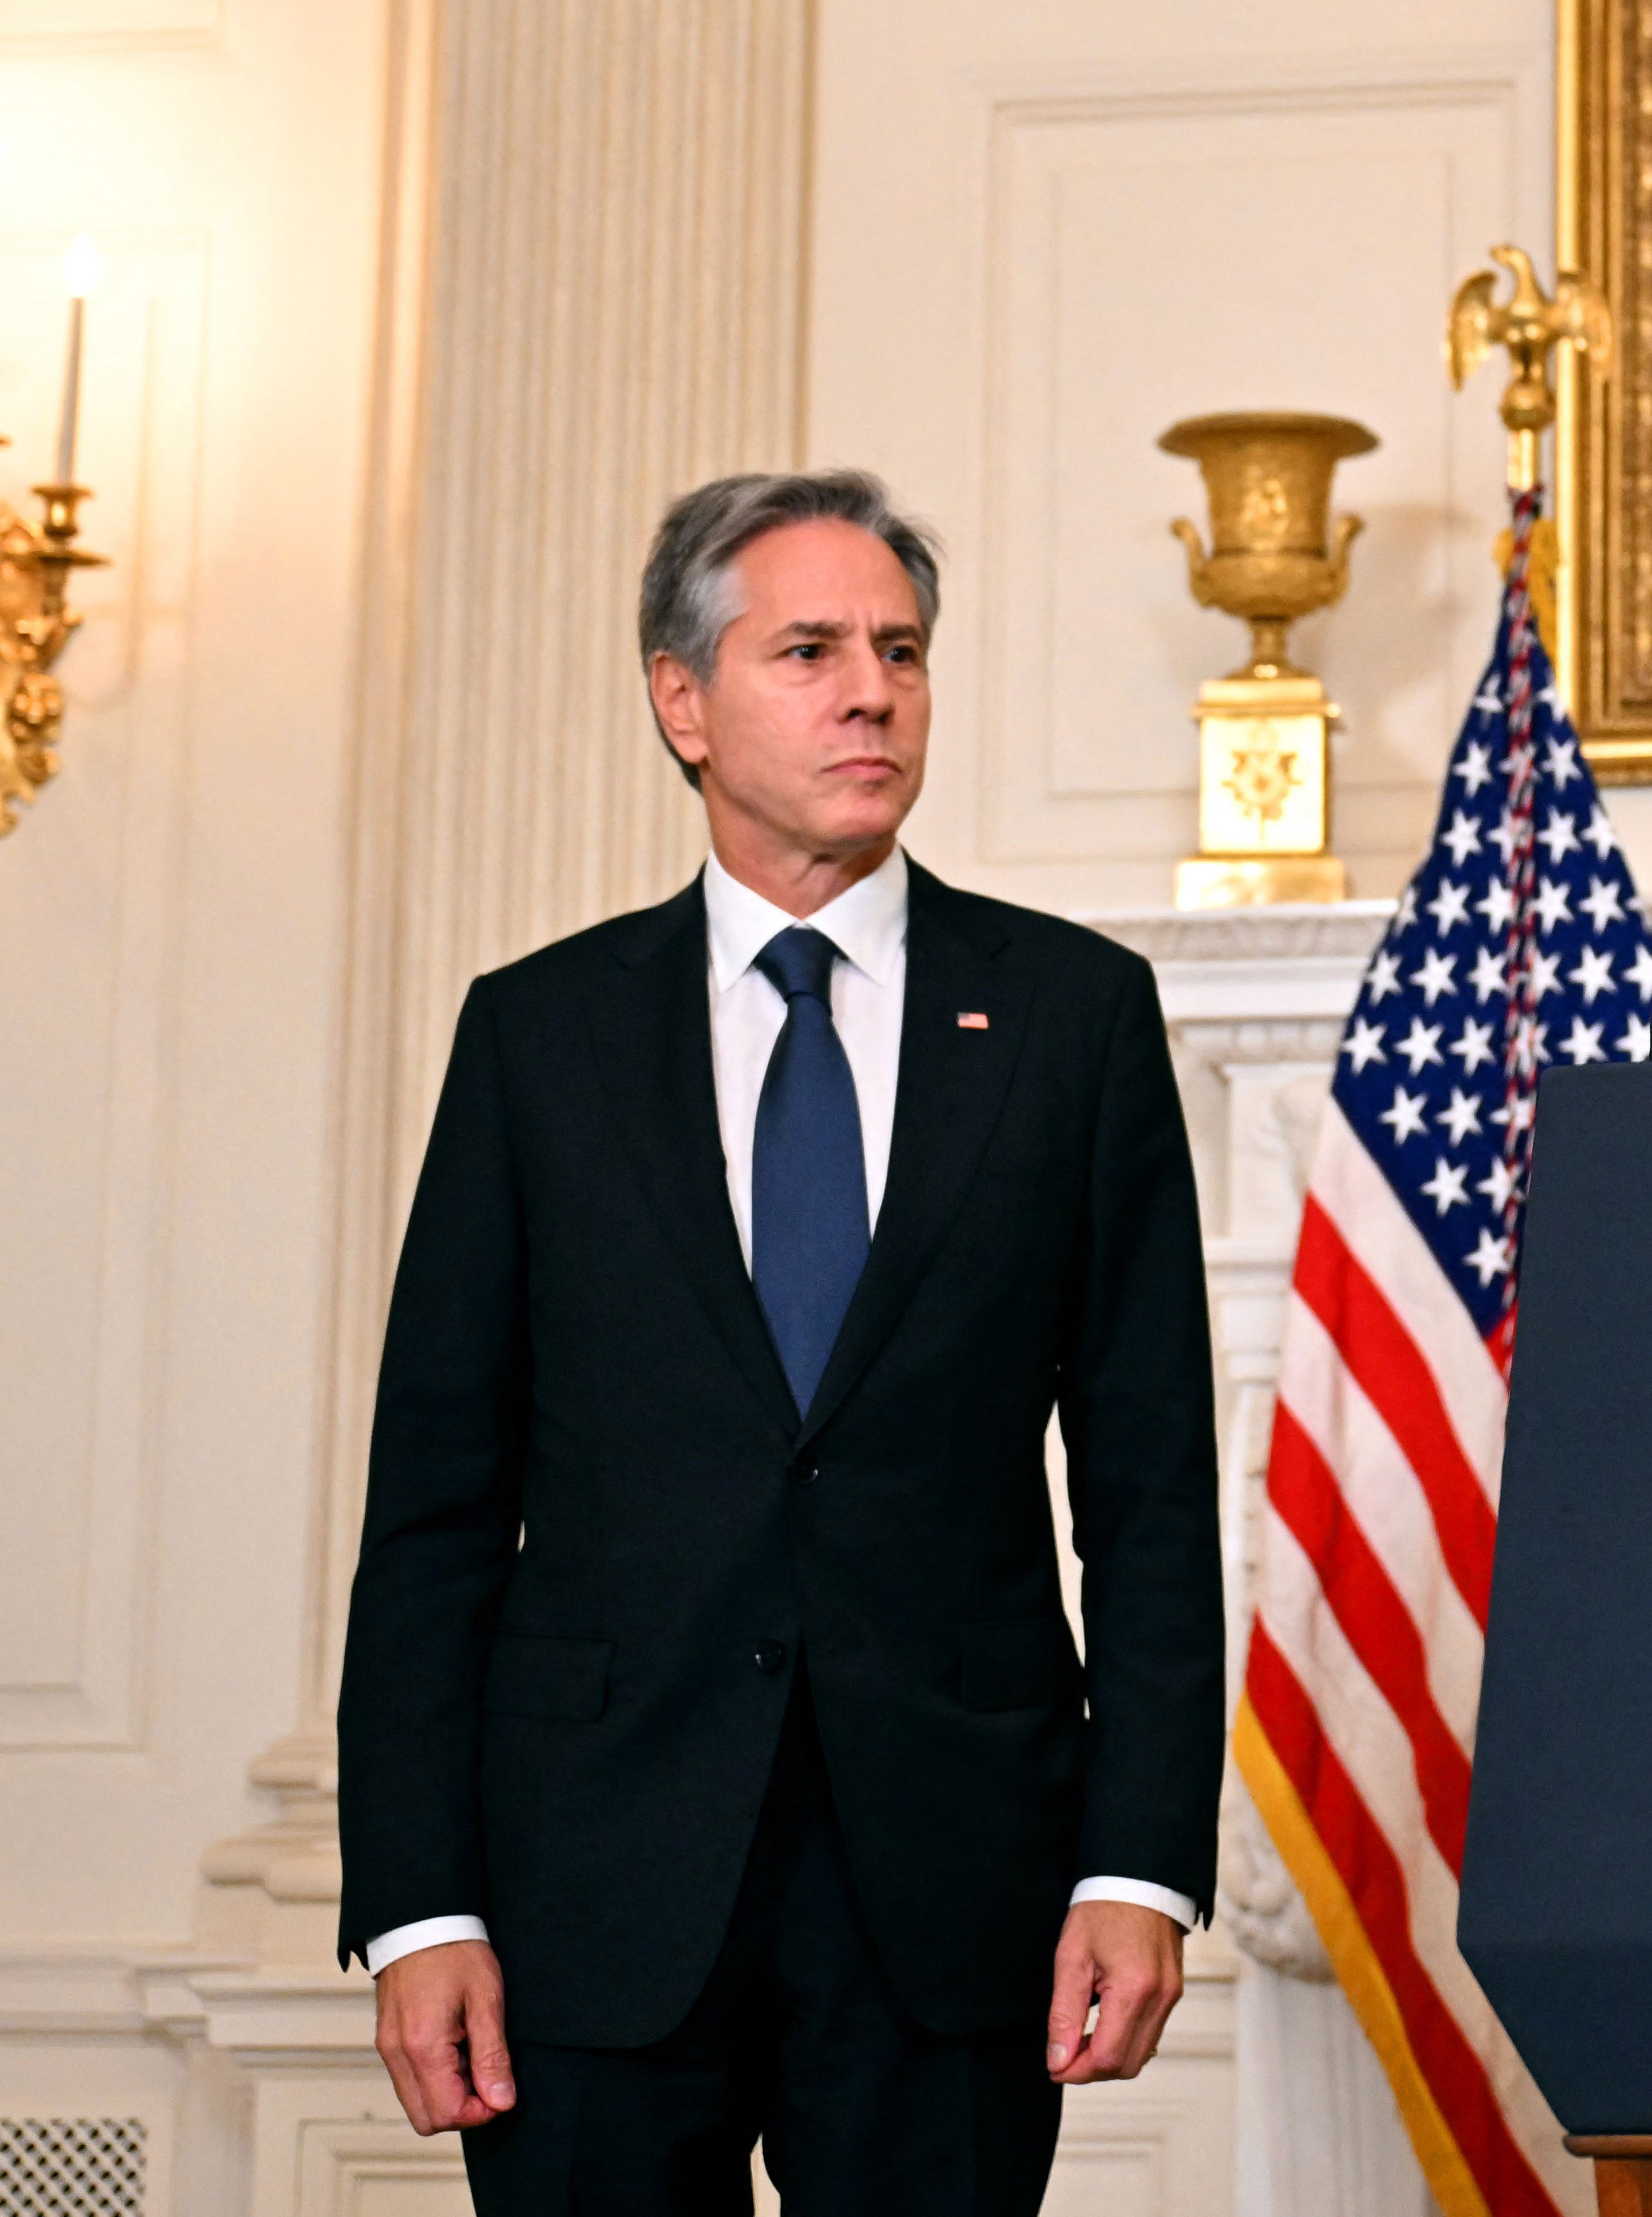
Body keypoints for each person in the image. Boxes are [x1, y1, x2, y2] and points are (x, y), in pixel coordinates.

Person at [335, 471, 1223, 2214]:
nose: (870, 690)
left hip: (953, 1889)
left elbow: (1154, 1496)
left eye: (899, 649)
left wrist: (1141, 1869)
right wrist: (419, 1901)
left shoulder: (1070, 1020)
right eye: (807, 648)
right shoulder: (539, 1039)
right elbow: (435, 1512)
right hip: (591, 1889)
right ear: (684, 700)